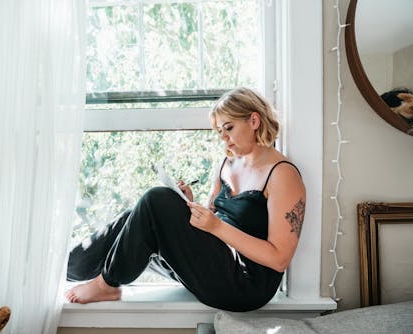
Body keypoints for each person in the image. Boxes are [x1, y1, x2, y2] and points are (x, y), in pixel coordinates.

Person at [65, 87, 306, 312]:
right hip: (216, 264)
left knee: (156, 200)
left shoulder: (283, 174)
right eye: (220, 131)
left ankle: (107, 285)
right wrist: (189, 204)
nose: (224, 138)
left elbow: (279, 258)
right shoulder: (228, 163)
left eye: (229, 128)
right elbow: (214, 220)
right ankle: (65, 269)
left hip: (245, 285)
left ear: (254, 121)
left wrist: (216, 226)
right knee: (136, 218)